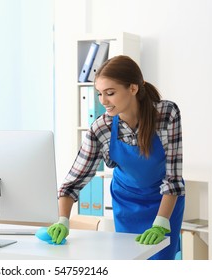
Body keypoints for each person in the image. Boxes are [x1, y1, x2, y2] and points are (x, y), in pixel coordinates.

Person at [48, 55, 185, 260]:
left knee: (161, 260)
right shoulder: (101, 128)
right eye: (100, 94)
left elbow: (173, 178)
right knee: (129, 261)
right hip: (127, 202)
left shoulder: (166, 114)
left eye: (110, 93)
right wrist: (62, 220)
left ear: (133, 88)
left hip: (164, 202)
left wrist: (160, 222)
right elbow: (73, 181)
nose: (103, 101)